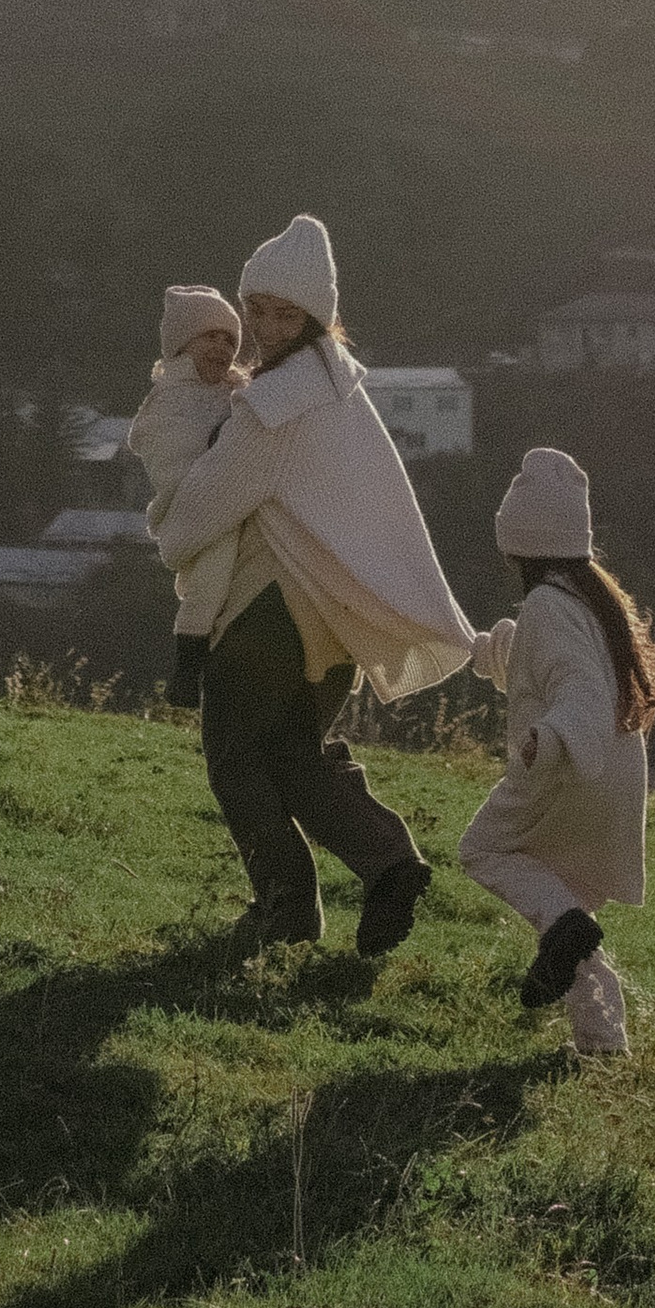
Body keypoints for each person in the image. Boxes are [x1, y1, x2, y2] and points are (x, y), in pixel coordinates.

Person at [152, 212, 476, 957]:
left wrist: (167, 531)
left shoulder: (274, 405)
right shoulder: (341, 391)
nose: (263, 327)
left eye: (283, 313)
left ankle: (287, 910)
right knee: (293, 758)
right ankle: (389, 862)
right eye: (255, 309)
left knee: (235, 759)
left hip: (270, 614)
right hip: (334, 618)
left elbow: (201, 509)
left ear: (315, 317)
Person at [457, 445, 655, 1059]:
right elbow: (546, 664)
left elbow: (577, 687)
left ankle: (564, 930)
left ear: (517, 541)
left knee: (484, 850)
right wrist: (483, 651)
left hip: (566, 768)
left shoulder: (546, 605)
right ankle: (604, 1044)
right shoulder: (586, 598)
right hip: (611, 775)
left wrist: (551, 736)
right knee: (568, 901)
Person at [126, 284, 249, 710]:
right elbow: (171, 451)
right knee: (211, 577)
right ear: (181, 345)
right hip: (192, 505)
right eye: (210, 337)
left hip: (234, 495)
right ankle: (187, 664)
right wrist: (220, 442)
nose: (222, 347)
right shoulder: (168, 400)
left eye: (229, 340)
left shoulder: (238, 392)